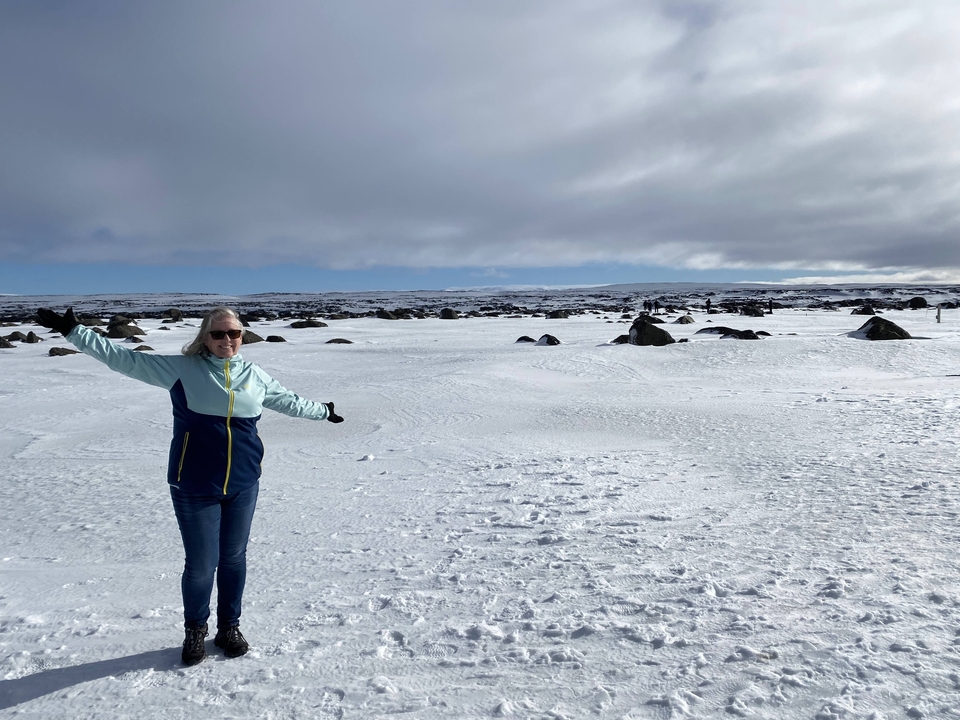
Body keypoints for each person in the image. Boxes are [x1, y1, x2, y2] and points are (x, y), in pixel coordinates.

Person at [36, 306, 344, 667]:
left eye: (234, 333)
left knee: (233, 559)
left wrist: (323, 411)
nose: (227, 340)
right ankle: (195, 629)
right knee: (201, 565)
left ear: (242, 336)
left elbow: (287, 401)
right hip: (194, 484)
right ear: (205, 337)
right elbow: (123, 359)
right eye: (218, 333)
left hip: (244, 483)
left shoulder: (253, 375)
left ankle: (229, 627)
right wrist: (75, 332)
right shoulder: (182, 370)